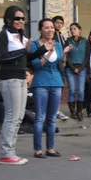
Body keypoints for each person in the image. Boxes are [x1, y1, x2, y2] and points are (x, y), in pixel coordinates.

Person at [0, 6, 49, 165]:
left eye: (22, 18)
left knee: (18, 117)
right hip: (9, 78)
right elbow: (3, 57)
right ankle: (6, 153)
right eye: (17, 18)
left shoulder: (22, 37)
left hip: (20, 78)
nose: (20, 21)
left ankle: (10, 151)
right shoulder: (3, 35)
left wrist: (42, 50)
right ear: (9, 19)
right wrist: (23, 50)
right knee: (12, 116)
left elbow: (28, 58)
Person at [30, 18, 72, 159]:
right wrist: (48, 53)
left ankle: (50, 148)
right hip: (41, 82)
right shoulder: (35, 45)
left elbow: (61, 66)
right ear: (40, 30)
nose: (50, 30)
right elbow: (36, 65)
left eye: (52, 28)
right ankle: (38, 149)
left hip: (56, 82)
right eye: (46, 27)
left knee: (52, 118)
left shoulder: (58, 45)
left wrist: (64, 54)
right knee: (40, 117)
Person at [66, 22, 91, 121]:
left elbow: (87, 56)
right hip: (70, 68)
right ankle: (72, 112)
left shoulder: (85, 41)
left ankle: (79, 111)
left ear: (79, 30)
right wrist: (73, 68)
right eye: (71, 29)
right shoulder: (68, 41)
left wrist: (80, 68)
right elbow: (66, 55)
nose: (73, 31)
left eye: (74, 29)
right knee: (72, 90)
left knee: (80, 90)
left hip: (82, 68)